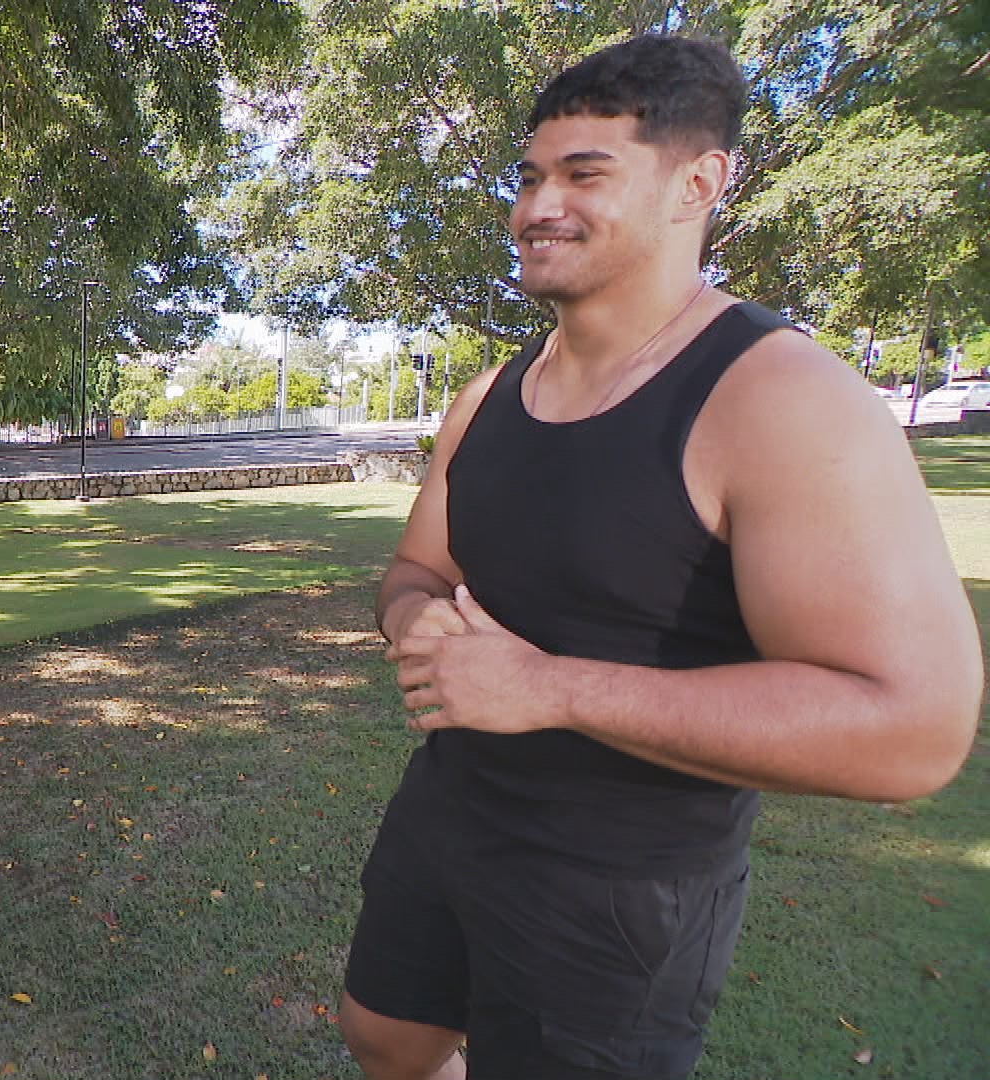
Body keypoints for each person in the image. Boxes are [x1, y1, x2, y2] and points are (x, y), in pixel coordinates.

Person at [338, 35, 981, 1080]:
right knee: (388, 1038)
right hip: (449, 812)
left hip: (624, 883)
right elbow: (414, 573)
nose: (539, 206)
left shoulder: (779, 398)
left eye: (586, 173)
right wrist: (421, 627)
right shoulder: (482, 401)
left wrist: (548, 688)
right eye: (532, 176)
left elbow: (913, 730)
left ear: (699, 183)